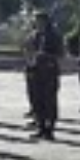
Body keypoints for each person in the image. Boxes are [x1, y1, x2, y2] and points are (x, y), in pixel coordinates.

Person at [26, 10, 64, 141]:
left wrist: (46, 56)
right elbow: (28, 53)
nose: (39, 23)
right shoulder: (33, 36)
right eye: (37, 21)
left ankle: (50, 128)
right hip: (36, 73)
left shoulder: (54, 36)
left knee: (50, 101)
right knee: (37, 101)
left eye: (41, 21)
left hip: (49, 72)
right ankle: (41, 127)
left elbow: (60, 54)